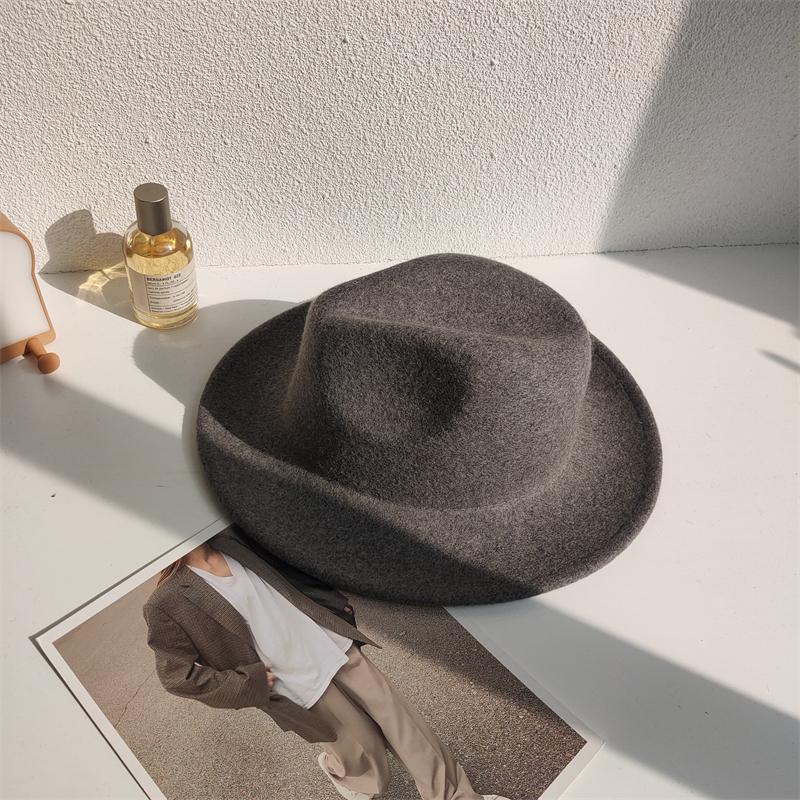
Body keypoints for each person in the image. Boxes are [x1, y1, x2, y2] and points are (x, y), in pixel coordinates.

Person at [143, 524, 510, 800]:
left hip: (333, 646)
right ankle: (343, 772)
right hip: (293, 681)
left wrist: (335, 602)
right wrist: (248, 683)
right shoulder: (166, 602)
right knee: (366, 757)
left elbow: (298, 563)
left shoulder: (239, 538)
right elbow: (177, 676)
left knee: (406, 728)